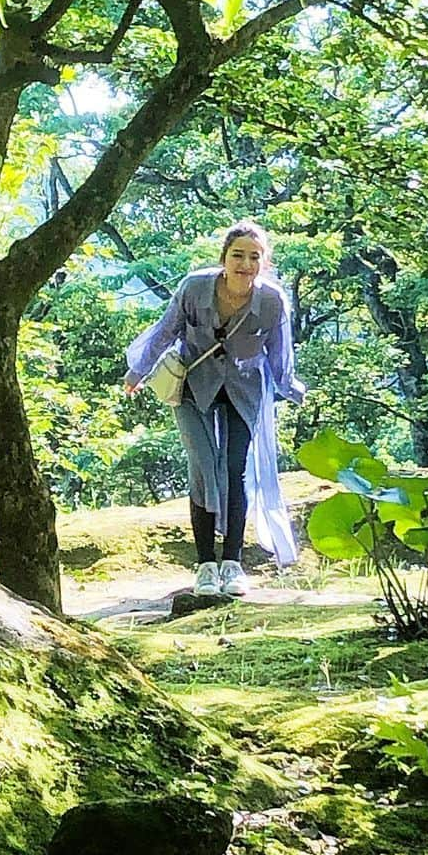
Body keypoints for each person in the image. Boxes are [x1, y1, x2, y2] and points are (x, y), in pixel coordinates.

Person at [124, 221, 304, 597]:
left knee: (234, 468)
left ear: (264, 263)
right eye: (237, 255)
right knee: (204, 467)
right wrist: (137, 371)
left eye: (254, 257)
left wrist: (291, 389)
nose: (245, 264)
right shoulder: (194, 288)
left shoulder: (271, 302)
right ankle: (206, 565)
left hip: (244, 387)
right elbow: (166, 330)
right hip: (194, 382)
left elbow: (280, 353)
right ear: (224, 258)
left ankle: (233, 564)